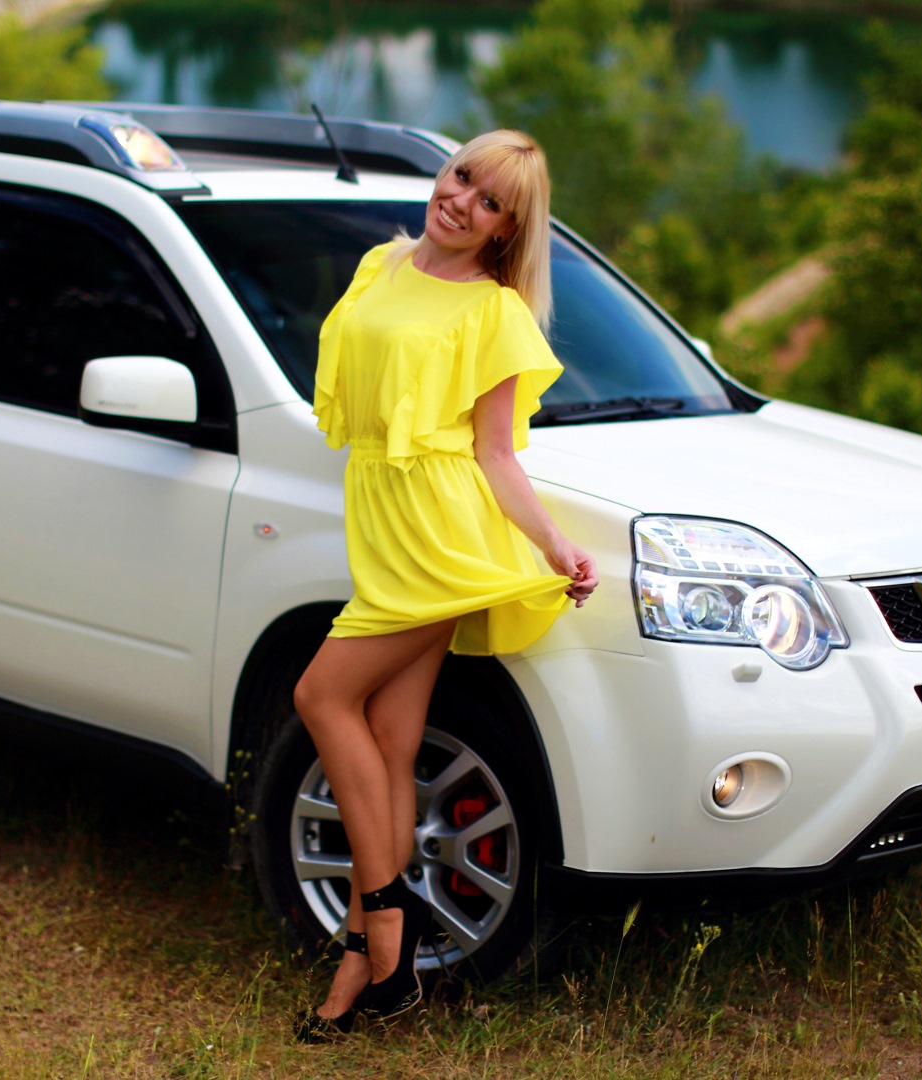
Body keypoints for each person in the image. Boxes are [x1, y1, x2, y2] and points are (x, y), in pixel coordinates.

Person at [292, 129, 598, 1040]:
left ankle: (388, 918)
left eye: (490, 201)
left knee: (320, 696)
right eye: (462, 175)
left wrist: (551, 544)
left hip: (438, 536)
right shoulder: (380, 264)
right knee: (390, 743)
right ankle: (365, 975)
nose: (461, 200)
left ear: (507, 231)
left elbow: (495, 452)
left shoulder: (495, 312)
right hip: (381, 517)